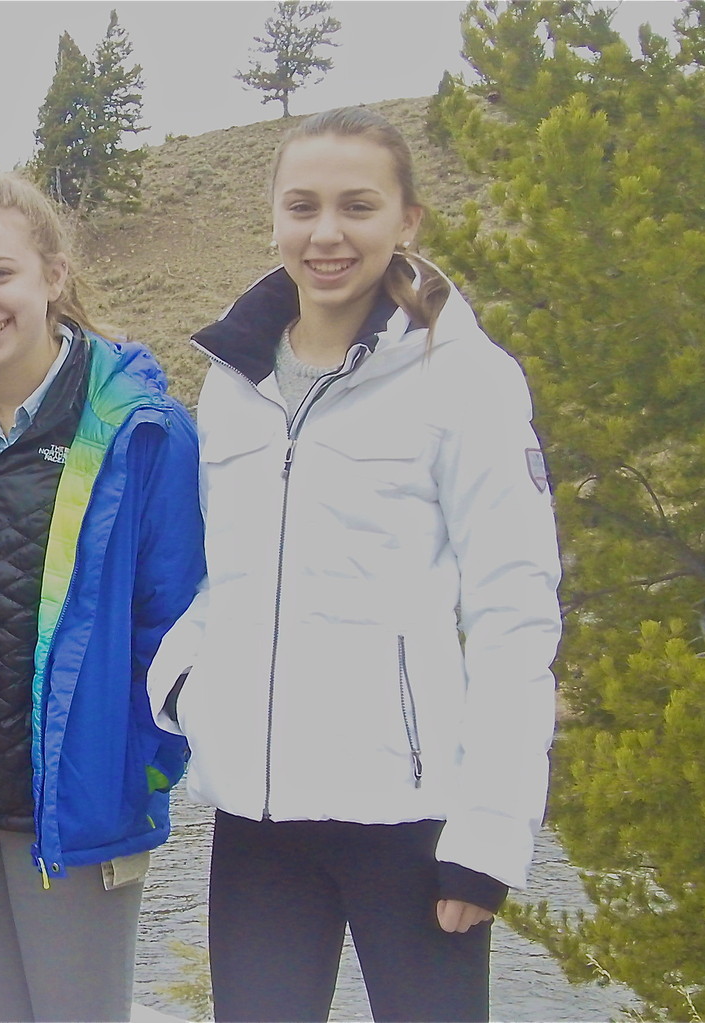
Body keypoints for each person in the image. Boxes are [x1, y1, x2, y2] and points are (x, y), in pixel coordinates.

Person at [147, 106, 563, 1022]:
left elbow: (515, 616)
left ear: (407, 220)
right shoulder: (233, 383)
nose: (325, 232)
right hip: (258, 817)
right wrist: (186, 686)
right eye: (302, 206)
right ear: (275, 218)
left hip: (410, 817)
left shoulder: (466, 380)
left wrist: (490, 834)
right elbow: (228, 579)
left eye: (356, 206)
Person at [0, 172, 206, 1023]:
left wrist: (139, 772)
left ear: (53, 276)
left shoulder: (145, 432)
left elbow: (176, 629)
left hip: (77, 804)